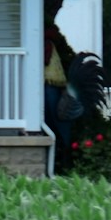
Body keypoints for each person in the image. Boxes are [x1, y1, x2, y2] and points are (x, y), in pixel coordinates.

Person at [43, 24, 78, 174]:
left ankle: (64, 156)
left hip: (51, 86)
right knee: (55, 121)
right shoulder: (49, 44)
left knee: (56, 119)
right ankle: (62, 156)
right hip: (53, 85)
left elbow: (44, 61)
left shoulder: (46, 45)